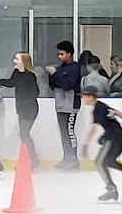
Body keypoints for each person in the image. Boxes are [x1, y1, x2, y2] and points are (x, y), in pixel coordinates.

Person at [81, 86, 122, 202]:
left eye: (84, 96)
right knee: (108, 161)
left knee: (100, 162)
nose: (83, 98)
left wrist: (85, 144)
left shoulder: (97, 109)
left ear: (90, 97)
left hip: (114, 139)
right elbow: (116, 112)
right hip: (118, 137)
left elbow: (93, 127)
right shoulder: (102, 105)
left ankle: (112, 189)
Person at [0, 52, 40, 169]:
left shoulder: (30, 76)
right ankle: (32, 159)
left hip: (30, 109)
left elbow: (35, 92)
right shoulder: (17, 73)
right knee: (23, 134)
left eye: (16, 59)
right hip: (21, 108)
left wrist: (26, 99)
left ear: (23, 61)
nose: (14, 61)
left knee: (24, 133)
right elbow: (11, 83)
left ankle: (32, 160)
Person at [47, 41, 81, 170]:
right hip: (60, 104)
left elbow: (68, 85)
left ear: (69, 54)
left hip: (71, 104)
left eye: (62, 54)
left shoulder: (75, 68)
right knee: (63, 132)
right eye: (58, 54)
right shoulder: (60, 68)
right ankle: (66, 158)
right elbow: (53, 86)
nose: (59, 56)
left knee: (70, 131)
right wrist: (51, 75)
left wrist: (55, 74)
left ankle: (73, 159)